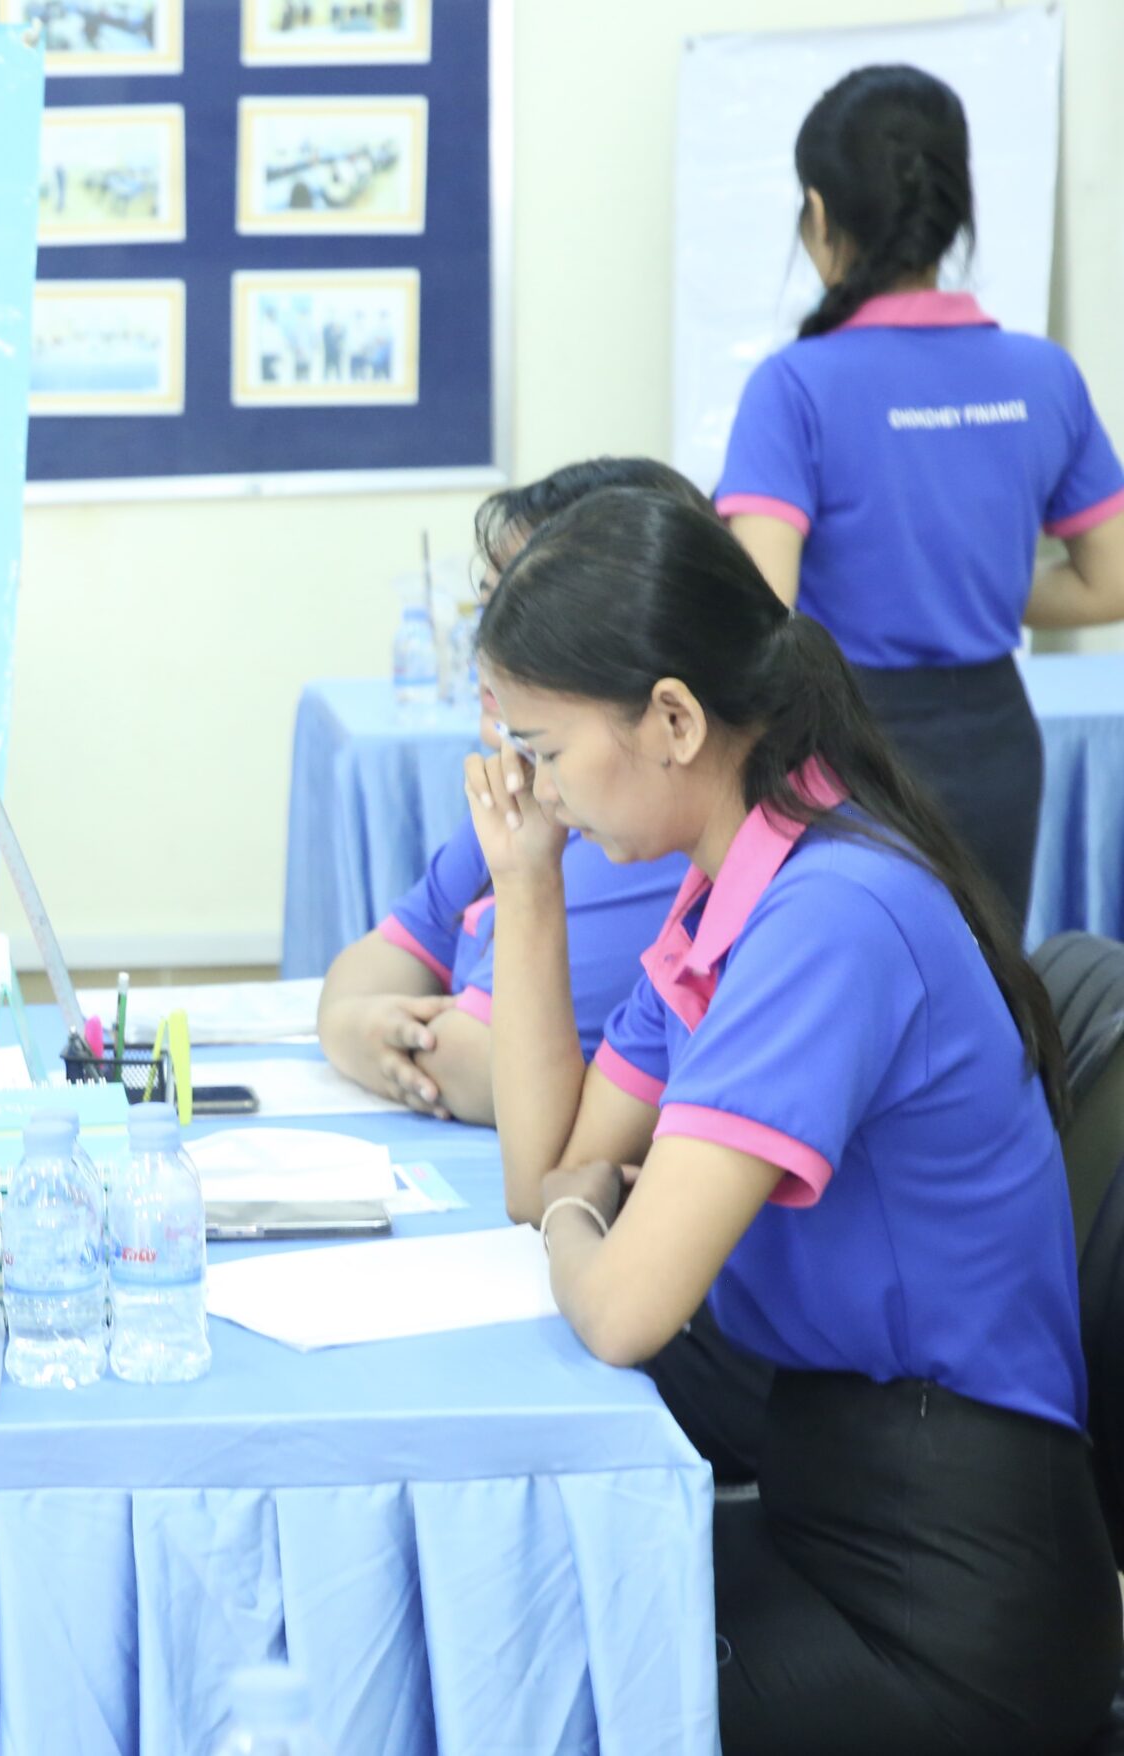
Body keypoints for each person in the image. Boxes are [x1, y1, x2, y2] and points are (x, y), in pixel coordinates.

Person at [470, 487, 1116, 1754]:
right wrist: (526, 879)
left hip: (948, 1604)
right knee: (517, 1626)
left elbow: (619, 1303)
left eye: (544, 750)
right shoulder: (733, 880)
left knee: (536, 1696)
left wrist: (574, 1220)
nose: (533, 787)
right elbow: (547, 1168)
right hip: (841, 1501)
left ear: (671, 719)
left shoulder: (826, 916)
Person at [718, 64, 1124, 926]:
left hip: (846, 753)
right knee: (985, 986)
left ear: (819, 212)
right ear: (950, 206)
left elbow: (759, 612)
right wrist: (969, 583)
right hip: (997, 747)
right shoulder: (1043, 375)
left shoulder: (793, 387)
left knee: (861, 986)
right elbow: (1110, 582)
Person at [318, 459, 699, 1126]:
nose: (488, 648)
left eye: (521, 613)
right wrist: (351, 1026)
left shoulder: (642, 835)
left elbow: (480, 1068)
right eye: (489, 606)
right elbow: (371, 965)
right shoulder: (525, 784)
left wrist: (372, 1033)